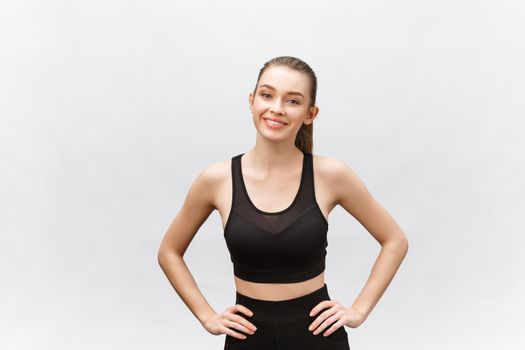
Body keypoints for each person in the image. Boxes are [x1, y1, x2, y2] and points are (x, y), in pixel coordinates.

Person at [157, 56, 409, 349]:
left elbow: (395, 240)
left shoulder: (331, 175)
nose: (276, 108)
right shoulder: (216, 179)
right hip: (247, 339)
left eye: (292, 101)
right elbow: (169, 251)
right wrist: (207, 317)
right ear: (251, 101)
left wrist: (359, 310)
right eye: (267, 95)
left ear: (310, 114)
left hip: (317, 338)